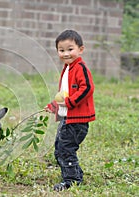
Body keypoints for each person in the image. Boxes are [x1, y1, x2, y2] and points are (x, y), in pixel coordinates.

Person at [44, 30, 96, 191]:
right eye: (61, 50)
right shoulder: (68, 68)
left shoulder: (80, 67)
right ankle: (74, 173)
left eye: (70, 49)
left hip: (77, 120)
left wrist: (70, 103)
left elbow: (87, 87)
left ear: (81, 49)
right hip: (68, 118)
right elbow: (65, 93)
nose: (66, 53)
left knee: (65, 149)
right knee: (60, 148)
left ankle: (72, 180)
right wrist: (54, 105)